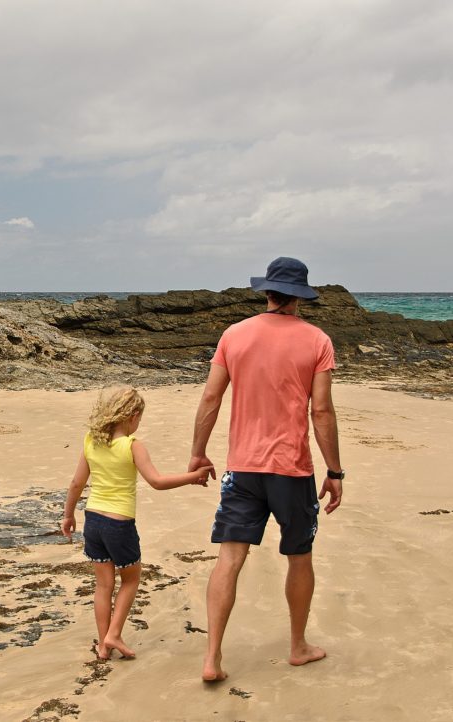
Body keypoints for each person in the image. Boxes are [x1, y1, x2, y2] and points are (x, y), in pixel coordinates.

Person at [189, 257, 343, 682]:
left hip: (242, 468)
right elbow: (322, 410)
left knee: (229, 558)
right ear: (300, 296)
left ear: (268, 291)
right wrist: (335, 471)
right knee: (299, 557)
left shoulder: (234, 335)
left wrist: (198, 453)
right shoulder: (318, 341)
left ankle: (212, 658)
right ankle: (298, 646)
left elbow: (210, 399)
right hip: (291, 471)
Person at [62, 386, 213, 660]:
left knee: (103, 585)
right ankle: (114, 634)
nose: (138, 424)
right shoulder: (132, 445)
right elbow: (156, 481)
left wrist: (68, 515)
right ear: (132, 415)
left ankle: (103, 647)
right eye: (139, 418)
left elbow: (76, 483)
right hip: (119, 524)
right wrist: (193, 477)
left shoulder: (91, 440)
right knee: (131, 579)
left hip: (93, 520)